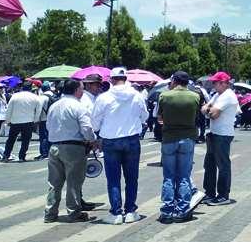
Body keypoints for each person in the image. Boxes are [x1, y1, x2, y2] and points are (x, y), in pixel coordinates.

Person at [91, 67, 148, 225]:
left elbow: (94, 122)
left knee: (113, 178)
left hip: (111, 140)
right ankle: (130, 211)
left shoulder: (104, 97)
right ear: (125, 79)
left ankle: (116, 213)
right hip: (132, 139)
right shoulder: (136, 95)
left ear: (111, 79)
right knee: (132, 178)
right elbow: (145, 116)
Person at [44, 79, 97, 223]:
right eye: (82, 89)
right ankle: (74, 212)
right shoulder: (78, 106)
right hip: (73, 147)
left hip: (54, 146)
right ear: (76, 90)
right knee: (74, 182)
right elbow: (86, 128)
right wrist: (92, 140)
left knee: (54, 183)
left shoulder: (54, 106)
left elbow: (48, 126)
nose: (82, 91)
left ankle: (50, 213)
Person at [157, 71, 199, 223]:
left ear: (174, 81)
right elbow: (197, 116)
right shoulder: (195, 96)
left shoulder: (164, 96)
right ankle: (183, 210)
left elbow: (159, 117)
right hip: (187, 138)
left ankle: (167, 211)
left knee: (169, 176)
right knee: (184, 176)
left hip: (169, 138)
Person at [201, 71, 238, 205]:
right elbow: (205, 109)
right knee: (209, 164)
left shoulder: (228, 96)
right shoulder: (218, 95)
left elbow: (213, 114)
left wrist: (208, 110)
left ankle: (223, 195)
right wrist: (208, 110)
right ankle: (210, 193)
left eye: (215, 82)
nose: (213, 85)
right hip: (214, 133)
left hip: (223, 134)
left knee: (223, 165)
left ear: (223, 83)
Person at [2, 81, 42, 162]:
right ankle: (21, 156)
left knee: (11, 139)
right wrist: (35, 120)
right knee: (25, 140)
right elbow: (38, 111)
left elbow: (9, 109)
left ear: (22, 87)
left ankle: (6, 155)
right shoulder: (35, 97)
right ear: (31, 88)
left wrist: (7, 120)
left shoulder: (15, 96)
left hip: (15, 121)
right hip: (28, 121)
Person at [33, 81, 55, 160]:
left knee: (43, 137)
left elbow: (38, 109)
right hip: (53, 119)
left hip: (44, 119)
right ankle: (52, 152)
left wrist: (36, 120)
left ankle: (44, 153)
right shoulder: (54, 95)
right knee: (51, 136)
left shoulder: (42, 97)